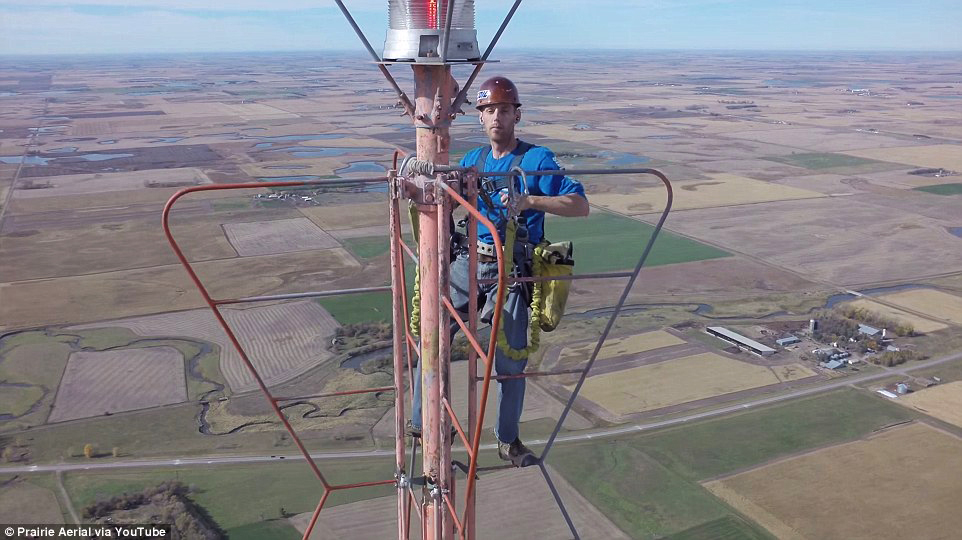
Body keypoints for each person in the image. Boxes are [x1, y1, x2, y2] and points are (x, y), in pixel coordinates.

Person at [410, 76, 589, 463]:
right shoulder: (474, 160)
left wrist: (532, 201)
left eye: (504, 110)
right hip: (468, 262)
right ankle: (422, 425)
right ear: (480, 118)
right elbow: (449, 204)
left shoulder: (537, 159)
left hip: (511, 270)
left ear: (516, 115)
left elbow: (579, 205)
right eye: (489, 111)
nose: (496, 118)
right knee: (431, 339)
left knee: (510, 362)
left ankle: (508, 439)